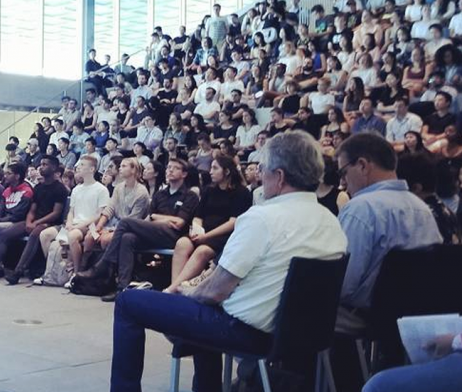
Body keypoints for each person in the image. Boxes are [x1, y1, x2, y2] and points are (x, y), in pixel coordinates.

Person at [109, 131, 348, 392]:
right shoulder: (332, 222)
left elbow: (215, 291)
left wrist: (185, 292)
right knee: (201, 311)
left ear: (279, 176)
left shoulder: (262, 218)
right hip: (302, 336)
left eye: (263, 169)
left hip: (248, 332)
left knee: (129, 302)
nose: (259, 175)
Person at [331, 133, 443, 391]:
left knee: (299, 311)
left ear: (362, 165)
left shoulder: (361, 208)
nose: (342, 182)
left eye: (343, 172)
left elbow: (344, 285)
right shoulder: (421, 207)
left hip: (369, 316)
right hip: (414, 313)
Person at [80, 158, 201, 302]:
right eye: (169, 167)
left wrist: (157, 217)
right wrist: (164, 219)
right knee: (127, 238)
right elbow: (151, 217)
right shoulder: (160, 194)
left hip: (173, 237)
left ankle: (104, 264)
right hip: (153, 233)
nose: (170, 170)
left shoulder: (189, 195)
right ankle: (122, 288)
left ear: (184, 174)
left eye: (175, 168)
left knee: (125, 222)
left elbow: (180, 223)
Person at [164, 155, 252, 293]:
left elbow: (233, 222)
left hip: (223, 236)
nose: (210, 172)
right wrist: (197, 230)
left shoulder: (241, 192)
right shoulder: (208, 190)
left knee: (202, 251)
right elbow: (198, 216)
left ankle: (172, 290)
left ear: (227, 171)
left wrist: (207, 236)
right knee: (182, 243)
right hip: (203, 232)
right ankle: (175, 287)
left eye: (215, 168)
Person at [0, 156, 69, 285]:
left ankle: (18, 271)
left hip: (51, 223)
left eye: (45, 164)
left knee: (35, 234)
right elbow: (32, 209)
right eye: (41, 164)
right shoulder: (38, 187)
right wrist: (29, 221)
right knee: (5, 234)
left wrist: (36, 223)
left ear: (54, 168)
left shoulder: (60, 188)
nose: (41, 167)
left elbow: (56, 213)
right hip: (35, 220)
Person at [38, 156, 109, 275]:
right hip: (73, 224)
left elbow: (99, 215)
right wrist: (69, 223)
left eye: (82, 165)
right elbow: (71, 211)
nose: (78, 167)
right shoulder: (76, 189)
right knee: (45, 235)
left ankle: (76, 273)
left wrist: (79, 226)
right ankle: (53, 271)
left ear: (92, 169)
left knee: (72, 236)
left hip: (91, 226)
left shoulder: (101, 189)